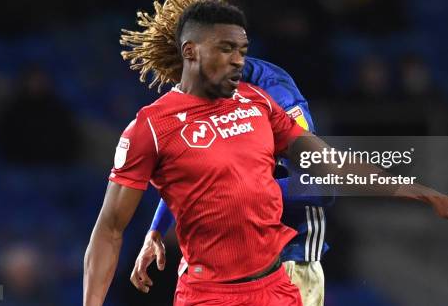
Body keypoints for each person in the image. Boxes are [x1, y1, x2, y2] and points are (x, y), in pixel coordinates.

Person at [83, 0, 448, 306]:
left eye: (242, 50)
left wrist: (421, 191)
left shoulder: (258, 101)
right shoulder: (151, 127)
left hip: (277, 287)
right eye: (226, 49)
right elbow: (110, 229)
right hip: (210, 296)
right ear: (190, 52)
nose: (239, 59)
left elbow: (329, 166)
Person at [131, 55, 332, 306]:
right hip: (219, 271)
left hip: (289, 260)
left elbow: (322, 185)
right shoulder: (196, 93)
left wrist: (240, 190)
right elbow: (194, 177)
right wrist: (157, 229)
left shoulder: (274, 91)